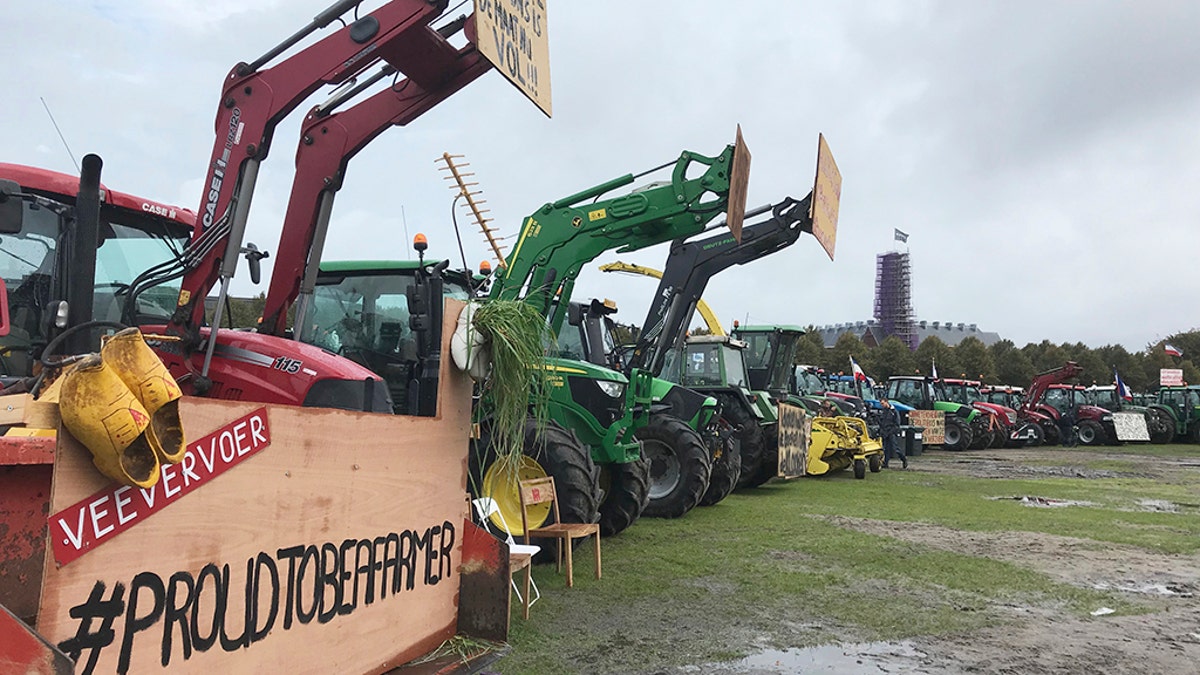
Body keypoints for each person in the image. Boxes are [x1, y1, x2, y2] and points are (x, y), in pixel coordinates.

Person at [878, 396, 906, 469]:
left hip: (891, 432)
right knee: (886, 449)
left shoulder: (894, 412)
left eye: (883, 403)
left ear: (887, 402)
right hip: (885, 432)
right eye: (881, 404)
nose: (882, 405)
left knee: (895, 448)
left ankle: (903, 459)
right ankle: (886, 463)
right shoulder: (883, 411)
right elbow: (882, 422)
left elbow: (897, 423)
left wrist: (892, 431)